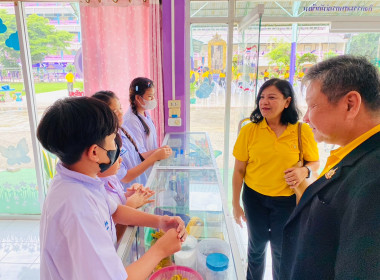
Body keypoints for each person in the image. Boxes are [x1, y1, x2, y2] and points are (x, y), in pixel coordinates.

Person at [37, 97, 186, 280]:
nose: (116, 145)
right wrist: (161, 250)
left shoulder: (79, 179)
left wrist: (160, 221)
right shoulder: (78, 207)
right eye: (112, 140)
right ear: (94, 152)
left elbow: (114, 211)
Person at [280, 55, 380, 280]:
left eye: (313, 105)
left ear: (350, 104)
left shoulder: (373, 180)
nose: (305, 118)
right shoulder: (352, 154)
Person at [232, 78, 319, 280]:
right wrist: (235, 204)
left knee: (282, 250)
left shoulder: (301, 130)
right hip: (254, 199)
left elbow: (315, 163)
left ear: (287, 102)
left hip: (287, 201)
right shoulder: (249, 131)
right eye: (262, 97)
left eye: (272, 97)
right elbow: (238, 171)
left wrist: (304, 171)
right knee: (256, 246)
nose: (264, 102)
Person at [93, 90, 172, 188]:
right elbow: (125, 177)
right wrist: (154, 157)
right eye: (114, 112)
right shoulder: (106, 144)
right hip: (127, 192)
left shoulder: (124, 130)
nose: (121, 114)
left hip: (139, 186)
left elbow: (139, 155)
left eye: (120, 108)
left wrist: (159, 151)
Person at [123, 77, 159, 155]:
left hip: (152, 162)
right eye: (150, 96)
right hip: (145, 165)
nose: (153, 99)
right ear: (138, 98)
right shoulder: (131, 121)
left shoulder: (145, 113)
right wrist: (158, 153)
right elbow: (139, 154)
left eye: (153, 95)